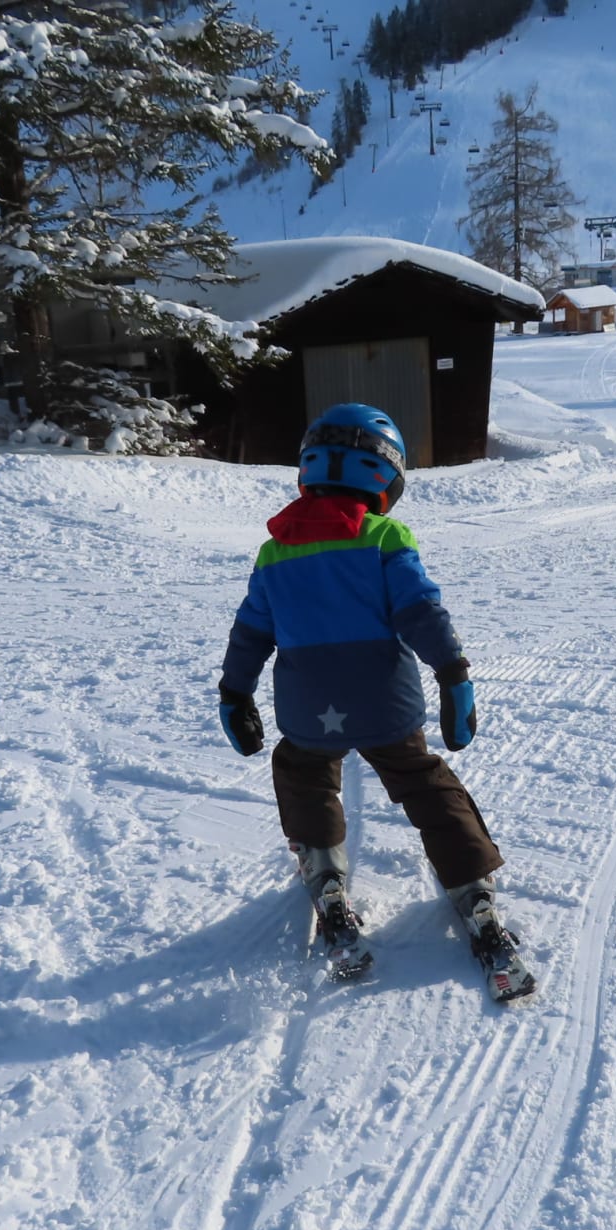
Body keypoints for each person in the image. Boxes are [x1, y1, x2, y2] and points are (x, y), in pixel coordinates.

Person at [217, 403, 534, 1000]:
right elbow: (421, 613)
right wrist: (453, 673)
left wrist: (235, 691)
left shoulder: (274, 551)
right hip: (385, 703)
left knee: (304, 773)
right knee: (422, 780)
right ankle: (471, 885)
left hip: (309, 708)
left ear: (308, 472)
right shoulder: (384, 536)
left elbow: (251, 632)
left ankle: (323, 870)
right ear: (387, 477)